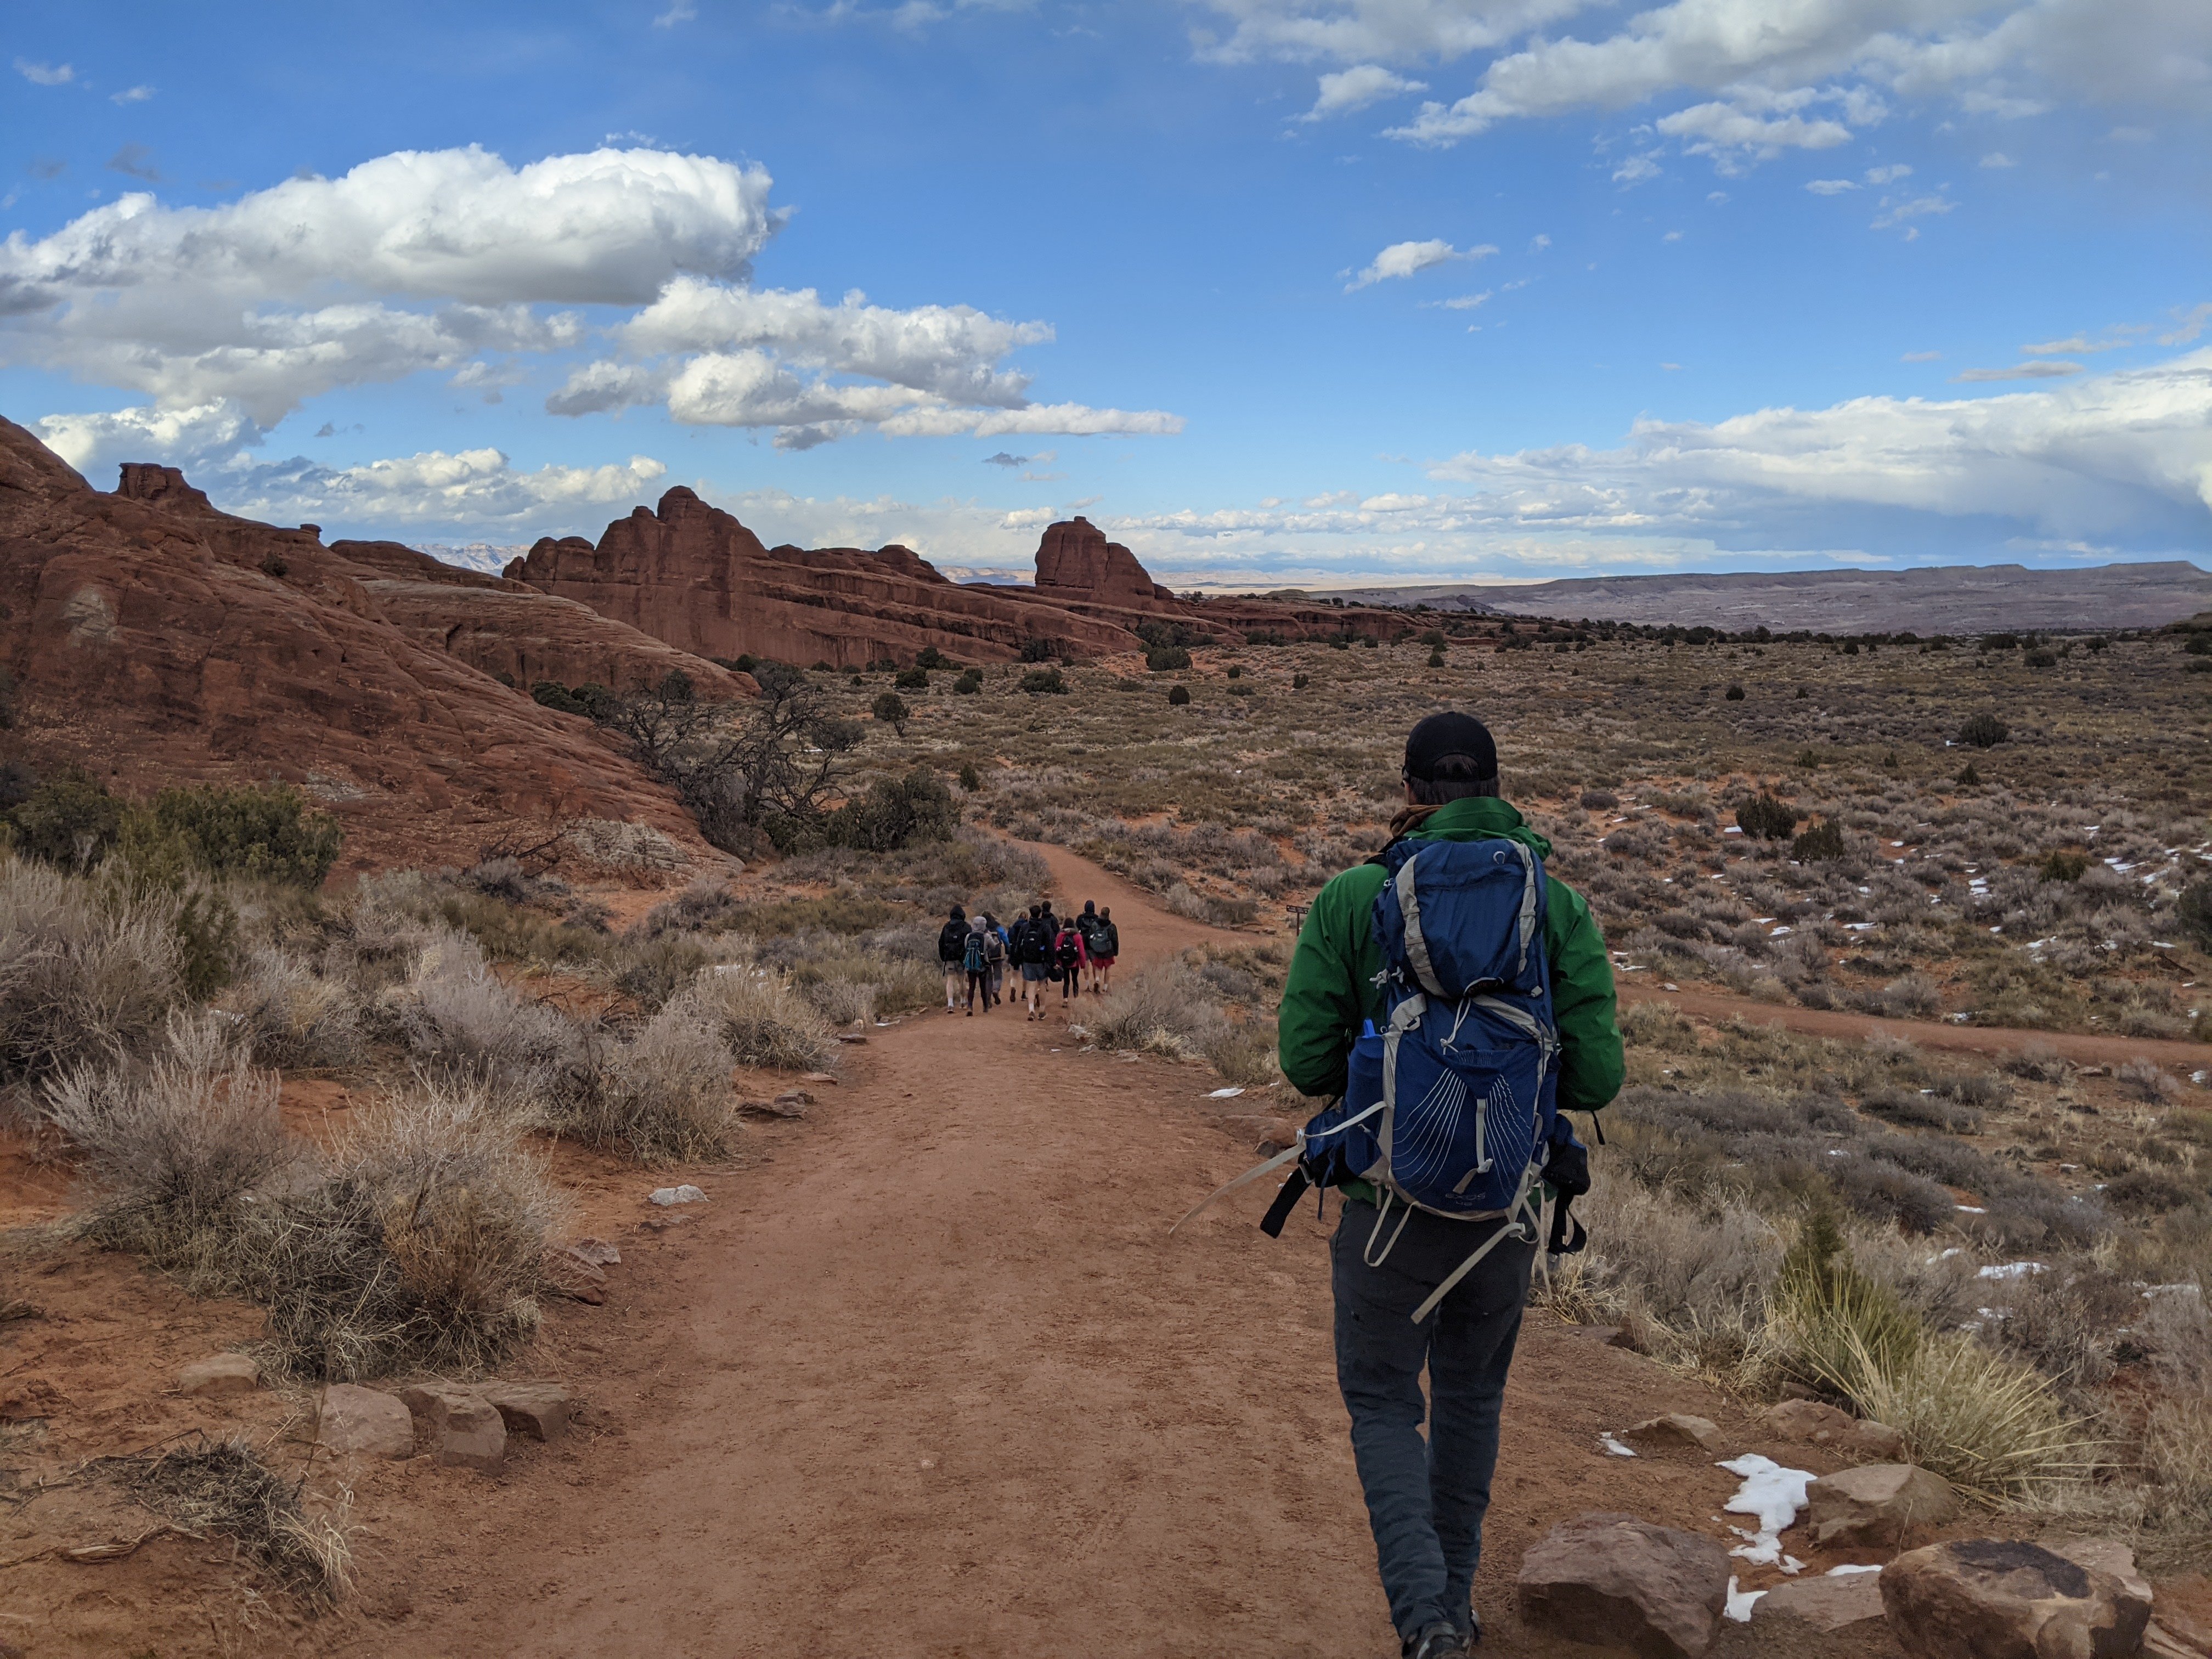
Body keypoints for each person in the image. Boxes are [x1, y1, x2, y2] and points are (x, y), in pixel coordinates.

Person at [1276, 711, 1624, 1659]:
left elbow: (1303, 1053)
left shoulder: (1355, 895)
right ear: (1493, 786)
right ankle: (1454, 1605)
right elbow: (1594, 1079)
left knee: (1385, 1401)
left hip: (1384, 1208)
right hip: (1500, 1213)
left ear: (1410, 788)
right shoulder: (1553, 901)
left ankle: (1425, 1618)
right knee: (1470, 1400)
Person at [1017, 902, 1052, 1020]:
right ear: (1040, 914)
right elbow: (1050, 945)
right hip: (1041, 960)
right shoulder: (1045, 927)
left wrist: (1018, 958)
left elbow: (1019, 944)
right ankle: (1042, 1010)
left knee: (1031, 984)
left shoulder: (1025, 927)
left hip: (1028, 960)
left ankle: (1031, 1009)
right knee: (1042, 983)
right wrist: (1052, 961)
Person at [936, 904, 970, 1013]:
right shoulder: (966, 927)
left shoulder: (946, 927)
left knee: (950, 981)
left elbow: (941, 943)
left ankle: (950, 1004)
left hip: (949, 958)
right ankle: (963, 1001)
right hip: (962, 958)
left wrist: (943, 957)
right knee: (962, 980)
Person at [1076, 900, 1108, 995]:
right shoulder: (1097, 919)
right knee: (1095, 963)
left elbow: (1076, 929)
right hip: (1094, 944)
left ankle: (1087, 984)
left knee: (1086, 964)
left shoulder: (1080, 918)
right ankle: (1097, 980)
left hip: (1083, 943)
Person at [1052, 913, 1086, 1003]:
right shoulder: (1077, 936)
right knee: (1075, 980)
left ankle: (1065, 999)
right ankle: (1076, 998)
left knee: (1066, 981)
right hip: (1075, 962)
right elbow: (1081, 952)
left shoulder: (1060, 935)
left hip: (1064, 962)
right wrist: (1083, 964)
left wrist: (1057, 962)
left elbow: (1057, 948)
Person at [962, 915, 991, 1015]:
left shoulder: (968, 936)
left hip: (971, 965)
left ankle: (970, 1006)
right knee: (983, 986)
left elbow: (966, 948)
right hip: (982, 965)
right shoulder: (986, 936)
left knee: (972, 986)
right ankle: (985, 1006)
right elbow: (993, 946)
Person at [981, 912, 1009, 1007]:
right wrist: (1008, 950)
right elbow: (1005, 939)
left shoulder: (982, 930)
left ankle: (988, 1000)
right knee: (998, 975)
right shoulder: (998, 928)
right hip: (997, 955)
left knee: (988, 978)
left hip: (986, 956)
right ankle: (996, 990)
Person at [1092, 905, 1119, 994]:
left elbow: (1091, 936)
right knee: (1108, 968)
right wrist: (1116, 951)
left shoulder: (1096, 924)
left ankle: (1097, 980)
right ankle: (1105, 987)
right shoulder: (1111, 926)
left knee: (1098, 967)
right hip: (1108, 950)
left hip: (1098, 949)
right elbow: (1115, 940)